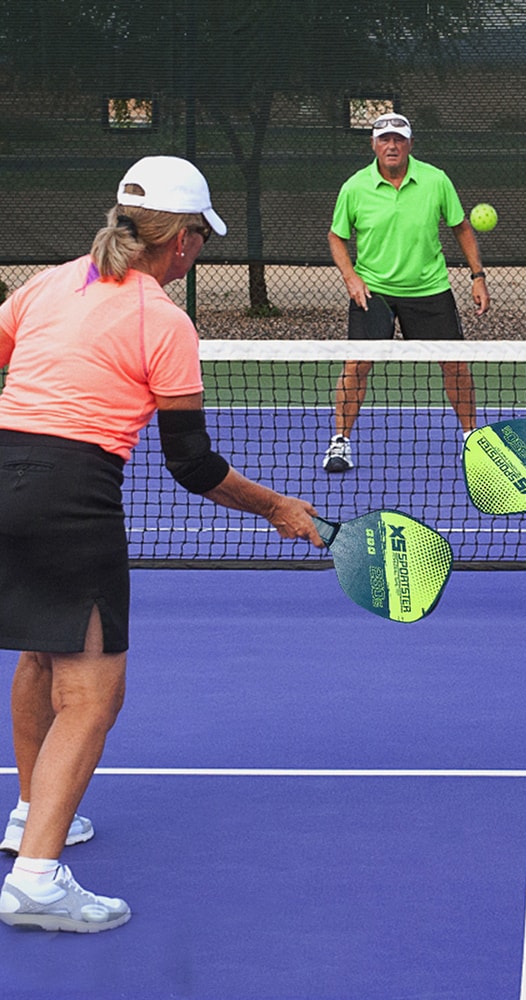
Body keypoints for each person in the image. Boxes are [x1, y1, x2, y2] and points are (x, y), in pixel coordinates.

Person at [0, 155, 323, 932]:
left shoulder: (47, 284)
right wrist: (277, 506)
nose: (199, 251)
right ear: (178, 241)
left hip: (4, 473)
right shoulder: (163, 322)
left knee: (43, 655)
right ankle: (36, 882)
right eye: (200, 238)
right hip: (72, 501)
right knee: (94, 691)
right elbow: (193, 465)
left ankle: (29, 816)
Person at [323, 113, 490, 473]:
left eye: (398, 139)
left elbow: (461, 227)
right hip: (374, 292)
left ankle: (471, 439)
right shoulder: (354, 187)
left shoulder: (435, 181)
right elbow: (336, 236)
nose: (392, 146)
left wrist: (477, 276)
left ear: (410, 144)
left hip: (429, 289)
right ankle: (340, 443)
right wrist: (351, 277)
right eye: (384, 139)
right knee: (357, 364)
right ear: (373, 144)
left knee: (455, 364)